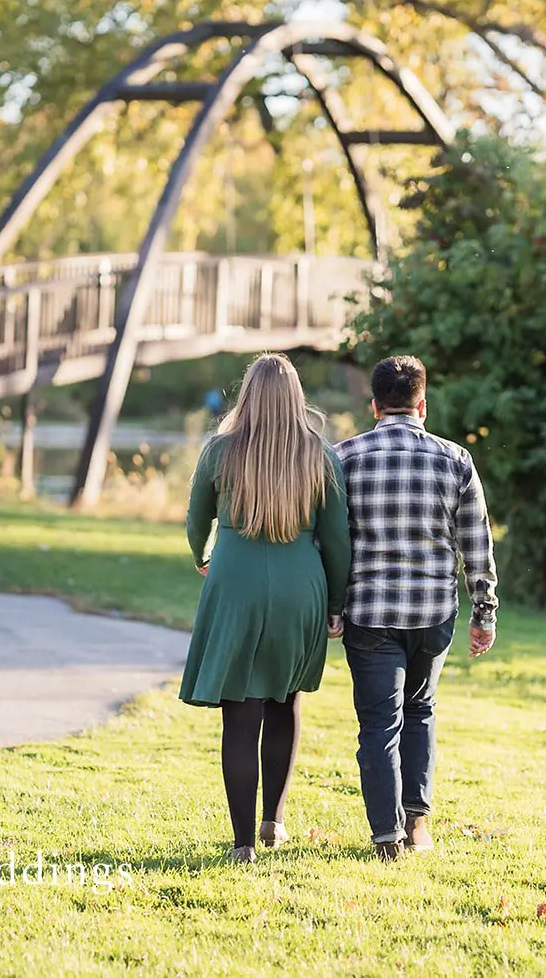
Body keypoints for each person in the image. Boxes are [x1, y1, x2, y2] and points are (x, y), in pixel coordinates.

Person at [178, 353, 351, 864]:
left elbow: (195, 519)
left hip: (235, 581)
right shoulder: (320, 456)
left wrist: (202, 555)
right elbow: (337, 539)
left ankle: (242, 845)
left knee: (240, 716)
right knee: (284, 700)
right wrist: (336, 602)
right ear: (296, 398)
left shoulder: (221, 451)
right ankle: (273, 822)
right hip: (301, 585)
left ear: (247, 395)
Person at [335, 355, 498, 860]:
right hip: (432, 612)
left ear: (374, 406)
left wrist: (332, 606)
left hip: (369, 613)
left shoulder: (343, 458)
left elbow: (333, 542)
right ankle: (418, 827)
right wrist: (484, 612)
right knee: (420, 710)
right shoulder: (456, 460)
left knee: (378, 723)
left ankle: (386, 835)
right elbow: (476, 541)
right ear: (422, 406)